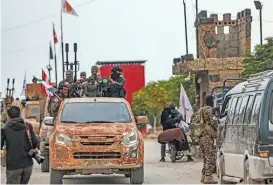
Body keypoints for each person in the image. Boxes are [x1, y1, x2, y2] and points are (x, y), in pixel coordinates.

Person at [1, 106, 38, 184]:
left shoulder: (5, 129)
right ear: (20, 115)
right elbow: (35, 142)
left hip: (13, 165)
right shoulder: (28, 126)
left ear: (8, 116)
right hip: (27, 165)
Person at [199, 95, 218, 184]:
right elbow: (212, 122)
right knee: (210, 157)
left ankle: (203, 176)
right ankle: (208, 177)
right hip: (207, 136)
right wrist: (218, 128)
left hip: (201, 136)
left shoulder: (201, 109)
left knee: (205, 157)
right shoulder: (209, 109)